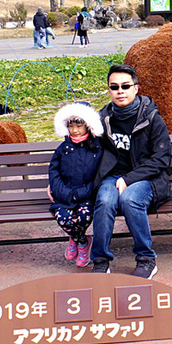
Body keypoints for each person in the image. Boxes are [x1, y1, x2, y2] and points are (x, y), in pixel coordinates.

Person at [90, 64, 172, 278]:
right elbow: (82, 151)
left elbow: (161, 159)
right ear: (109, 90)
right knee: (105, 201)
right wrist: (59, 178)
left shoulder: (152, 118)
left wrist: (129, 179)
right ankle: (100, 260)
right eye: (114, 86)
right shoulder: (102, 120)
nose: (120, 91)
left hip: (146, 177)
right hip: (113, 177)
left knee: (129, 200)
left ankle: (146, 259)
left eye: (125, 86)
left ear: (136, 88)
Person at [46, 102, 103, 267]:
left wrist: (83, 193)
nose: (75, 130)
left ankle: (79, 242)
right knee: (64, 219)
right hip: (64, 195)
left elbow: (99, 176)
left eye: (79, 126)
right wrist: (61, 192)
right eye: (71, 126)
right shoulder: (63, 148)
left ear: (88, 126)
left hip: (86, 196)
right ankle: (81, 241)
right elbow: (54, 172)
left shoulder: (96, 149)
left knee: (84, 216)